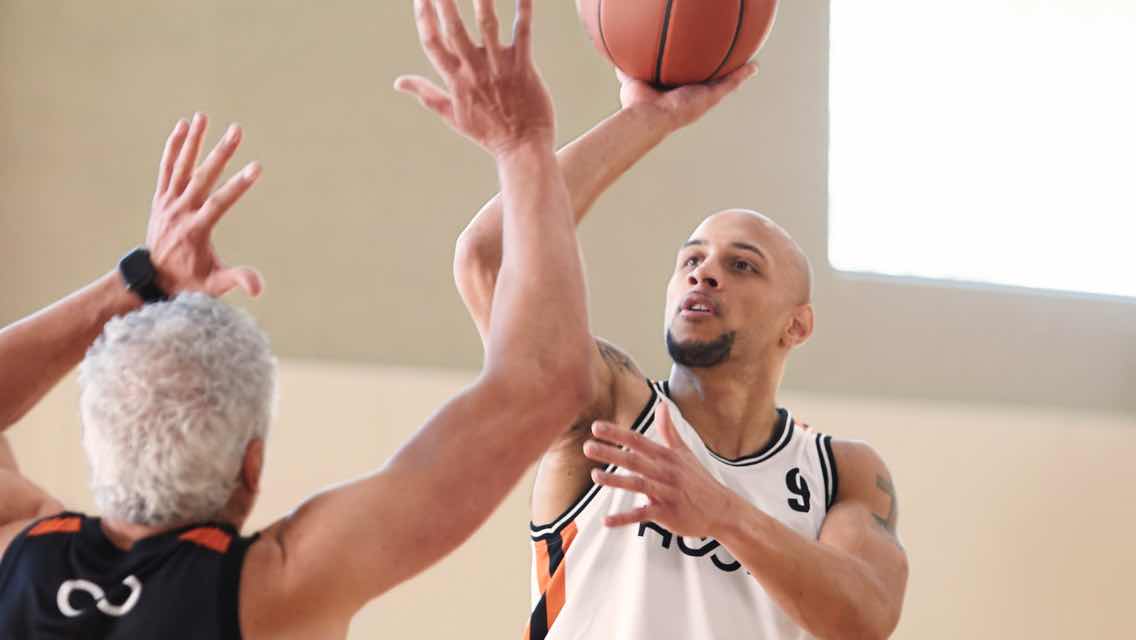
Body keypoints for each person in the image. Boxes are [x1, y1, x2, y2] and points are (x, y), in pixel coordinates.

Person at [0, 0, 593, 636]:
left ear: (95, 438)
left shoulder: (17, 557)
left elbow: (545, 380)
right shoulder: (275, 589)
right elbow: (542, 380)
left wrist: (137, 283)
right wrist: (522, 144)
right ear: (251, 467)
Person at [449, 54, 911, 640]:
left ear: (795, 327)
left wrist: (719, 512)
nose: (704, 274)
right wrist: (647, 120)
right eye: (691, 259)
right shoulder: (608, 409)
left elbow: (864, 618)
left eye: (742, 265)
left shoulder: (840, 472)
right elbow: (488, 261)